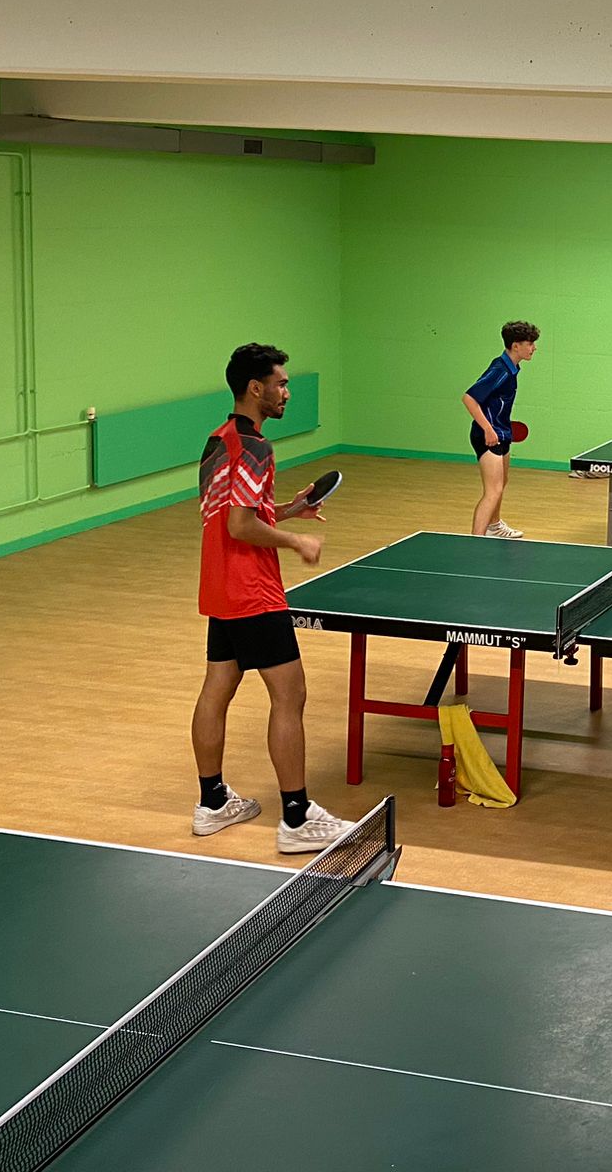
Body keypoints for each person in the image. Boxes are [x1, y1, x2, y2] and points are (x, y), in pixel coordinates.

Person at [192, 343, 355, 853]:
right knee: (290, 695)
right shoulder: (256, 448)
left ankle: (212, 803)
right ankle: (297, 816)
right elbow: (241, 527)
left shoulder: (218, 440)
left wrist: (287, 509)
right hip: (254, 591)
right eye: (281, 384)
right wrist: (294, 540)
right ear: (255, 388)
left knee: (217, 687)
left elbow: (232, 514)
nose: (287, 392)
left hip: (219, 586)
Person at [464, 320, 539, 538]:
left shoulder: (511, 368)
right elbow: (469, 398)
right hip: (488, 435)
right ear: (516, 346)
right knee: (493, 490)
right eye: (530, 343)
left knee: (501, 483)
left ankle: (494, 526)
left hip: (502, 433)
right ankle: (476, 540)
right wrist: (488, 429)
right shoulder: (500, 370)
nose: (534, 348)